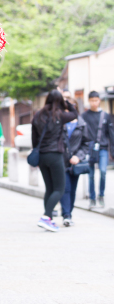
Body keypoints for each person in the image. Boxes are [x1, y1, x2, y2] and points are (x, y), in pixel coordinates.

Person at [32, 90, 78, 232]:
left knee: (50, 189)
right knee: (59, 189)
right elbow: (75, 114)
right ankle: (46, 217)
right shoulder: (59, 115)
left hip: (42, 156)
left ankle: (49, 220)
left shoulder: (38, 115)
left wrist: (37, 154)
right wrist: (67, 102)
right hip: (55, 155)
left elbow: (34, 138)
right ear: (60, 101)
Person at [60, 94, 91, 227]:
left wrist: (78, 156)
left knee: (72, 189)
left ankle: (69, 213)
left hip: (75, 162)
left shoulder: (82, 123)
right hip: (61, 161)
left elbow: (86, 143)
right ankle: (66, 215)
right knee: (64, 188)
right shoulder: (59, 123)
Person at [81, 90, 113, 209]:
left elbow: (111, 134)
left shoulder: (105, 115)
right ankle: (92, 198)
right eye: (92, 100)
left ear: (99, 100)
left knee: (103, 172)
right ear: (89, 101)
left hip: (103, 148)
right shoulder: (84, 116)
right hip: (89, 148)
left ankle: (101, 195)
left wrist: (112, 151)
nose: (94, 103)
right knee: (90, 175)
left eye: (96, 100)